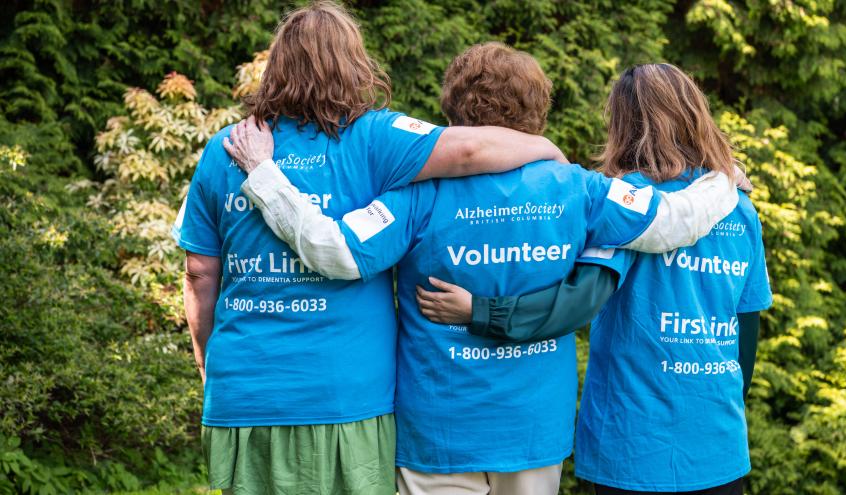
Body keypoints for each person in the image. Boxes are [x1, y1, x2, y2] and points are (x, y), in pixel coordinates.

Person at [225, 44, 744, 495]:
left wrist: (266, 177)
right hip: (534, 430)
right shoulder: (577, 188)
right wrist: (723, 177)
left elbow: (334, 249)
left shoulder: (415, 194)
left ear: (452, 110)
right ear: (538, 110)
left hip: (438, 429)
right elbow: (676, 219)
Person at [172, 3, 575, 494]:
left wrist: (208, 361)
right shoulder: (375, 138)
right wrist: (547, 150)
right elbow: (469, 151)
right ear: (353, 63)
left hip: (248, 388)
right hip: (349, 391)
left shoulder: (226, 148)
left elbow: (199, 274)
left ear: (276, 66)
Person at [418, 64, 773, 495]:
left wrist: (483, 311)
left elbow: (578, 301)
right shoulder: (741, 210)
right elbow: (746, 329)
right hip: (719, 441)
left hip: (632, 444)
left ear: (623, 125)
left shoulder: (624, 205)